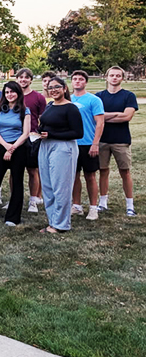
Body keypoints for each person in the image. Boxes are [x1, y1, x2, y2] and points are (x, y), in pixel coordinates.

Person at [0, 82, 31, 225]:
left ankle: (12, 217)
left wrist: (13, 148)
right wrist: (5, 146)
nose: (9, 95)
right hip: (1, 146)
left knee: (17, 181)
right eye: (7, 92)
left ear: (18, 93)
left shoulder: (24, 111)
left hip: (18, 147)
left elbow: (26, 133)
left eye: (12, 92)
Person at [38, 77, 83, 233]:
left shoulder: (71, 108)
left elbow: (78, 132)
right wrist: (40, 131)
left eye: (57, 87)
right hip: (45, 145)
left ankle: (61, 224)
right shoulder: (50, 105)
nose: (54, 90)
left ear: (64, 88)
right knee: (48, 186)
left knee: (60, 187)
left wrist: (51, 134)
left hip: (63, 148)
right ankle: (52, 222)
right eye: (51, 87)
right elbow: (45, 123)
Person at [96, 66, 138, 216]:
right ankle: (102, 202)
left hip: (121, 140)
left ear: (122, 78)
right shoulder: (99, 96)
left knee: (125, 172)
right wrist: (116, 115)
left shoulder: (129, 96)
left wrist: (104, 116)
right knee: (103, 171)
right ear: (106, 77)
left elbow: (126, 117)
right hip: (102, 139)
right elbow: (95, 118)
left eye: (118, 75)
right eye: (112, 75)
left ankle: (130, 205)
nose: (114, 78)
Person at [70, 70, 104, 221]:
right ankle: (76, 206)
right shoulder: (67, 99)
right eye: (75, 79)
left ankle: (93, 208)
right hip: (71, 144)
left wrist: (95, 143)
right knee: (74, 176)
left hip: (88, 143)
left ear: (85, 82)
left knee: (90, 176)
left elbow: (100, 122)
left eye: (81, 79)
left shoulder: (94, 100)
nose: (77, 81)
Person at [16, 67, 46, 213]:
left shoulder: (38, 97)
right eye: (20, 77)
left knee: (32, 170)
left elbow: (43, 119)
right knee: (15, 170)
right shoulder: (13, 96)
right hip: (15, 137)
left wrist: (39, 134)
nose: (23, 80)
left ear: (31, 80)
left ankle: (33, 200)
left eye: (26, 77)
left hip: (32, 137)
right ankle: (16, 199)